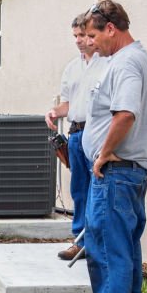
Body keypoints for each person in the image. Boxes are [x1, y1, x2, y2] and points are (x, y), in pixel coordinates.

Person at [80, 0, 147, 293]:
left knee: (107, 251)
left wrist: (103, 154)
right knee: (123, 249)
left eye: (93, 36)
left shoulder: (127, 62)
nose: (91, 44)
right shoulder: (139, 59)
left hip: (116, 173)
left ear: (110, 28)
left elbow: (125, 114)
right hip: (129, 173)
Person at [45, 14, 109, 260]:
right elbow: (68, 105)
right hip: (75, 135)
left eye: (83, 35)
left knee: (98, 190)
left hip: (97, 134)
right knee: (79, 190)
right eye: (75, 37)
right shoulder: (72, 68)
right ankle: (79, 241)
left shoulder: (107, 63)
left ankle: (97, 243)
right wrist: (54, 112)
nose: (79, 41)